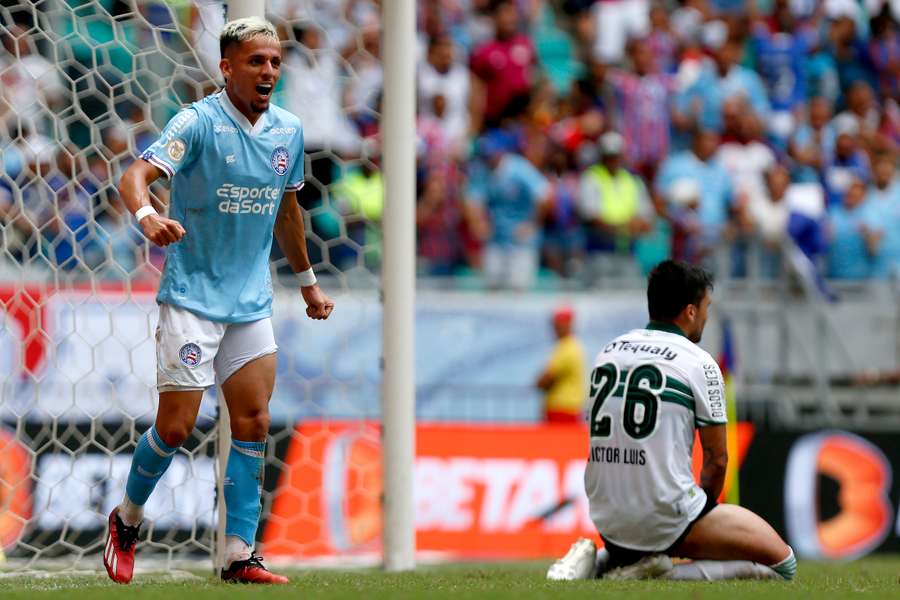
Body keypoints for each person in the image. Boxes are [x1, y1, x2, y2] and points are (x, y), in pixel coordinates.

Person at [104, 17, 334, 585]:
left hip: (251, 302)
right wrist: (148, 215)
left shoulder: (288, 130)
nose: (269, 71)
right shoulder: (198, 122)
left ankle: (239, 554)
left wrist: (306, 282)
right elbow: (135, 174)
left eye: (276, 62)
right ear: (227, 67)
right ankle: (127, 519)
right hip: (191, 298)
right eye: (257, 61)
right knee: (177, 428)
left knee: (254, 420)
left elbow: (287, 209)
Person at [548, 260, 795, 582]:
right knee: (783, 566)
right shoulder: (699, 362)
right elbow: (717, 461)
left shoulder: (609, 351)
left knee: (654, 524)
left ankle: (596, 557)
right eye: (706, 307)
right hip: (664, 515)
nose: (707, 316)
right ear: (690, 311)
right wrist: (699, 518)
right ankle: (656, 576)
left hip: (605, 516)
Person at [535, 305, 586, 423]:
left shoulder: (566, 347)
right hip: (567, 409)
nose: (555, 328)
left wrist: (539, 382)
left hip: (563, 410)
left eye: (559, 324)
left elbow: (545, 380)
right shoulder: (571, 346)